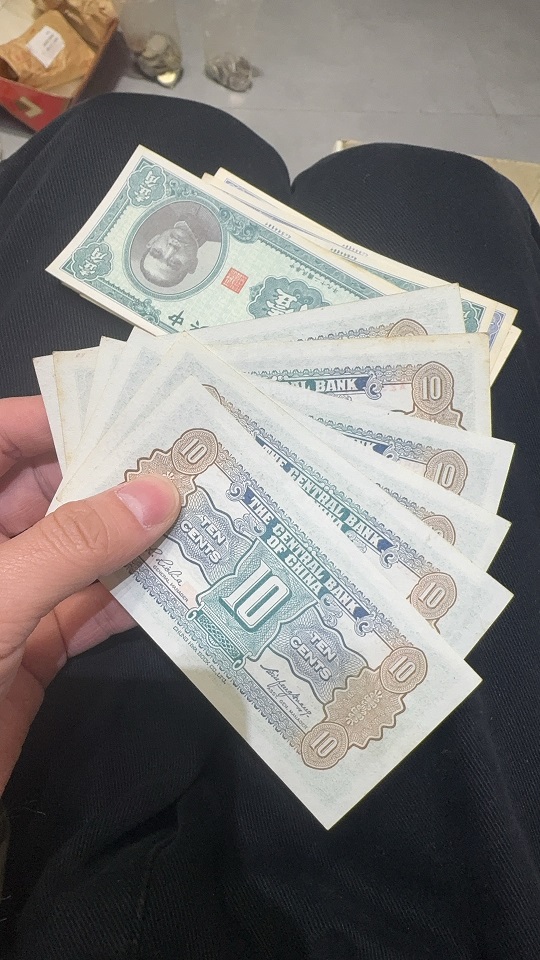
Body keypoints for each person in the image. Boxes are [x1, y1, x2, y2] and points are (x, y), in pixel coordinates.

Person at [0, 93, 539, 960]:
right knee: (436, 192)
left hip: (38, 839)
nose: (168, 252)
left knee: (136, 129)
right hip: (420, 909)